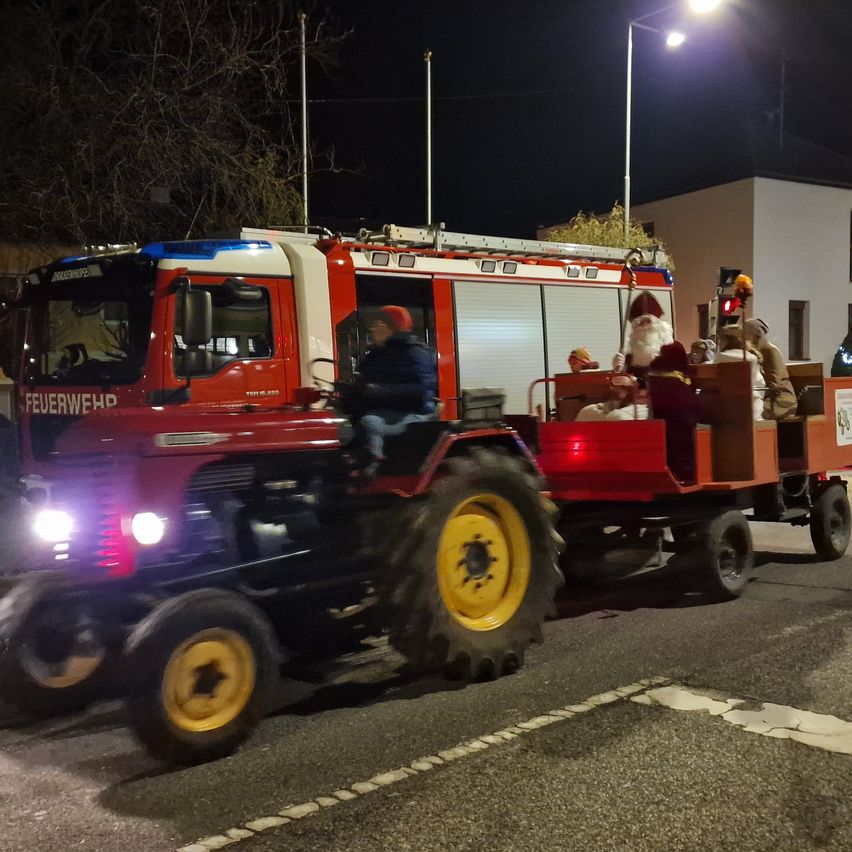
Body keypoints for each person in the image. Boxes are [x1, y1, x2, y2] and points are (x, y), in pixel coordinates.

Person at [355, 305, 438, 469]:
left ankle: (374, 467)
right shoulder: (374, 355)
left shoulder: (417, 354)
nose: (372, 329)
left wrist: (382, 390)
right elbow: (363, 379)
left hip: (413, 413)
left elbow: (424, 388)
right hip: (384, 411)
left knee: (370, 423)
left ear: (393, 327)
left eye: (377, 324)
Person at [576, 293, 674, 421]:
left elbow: (667, 384)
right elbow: (618, 390)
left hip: (652, 405)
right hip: (627, 402)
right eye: (638, 323)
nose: (643, 327)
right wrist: (617, 371)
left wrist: (634, 382)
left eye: (647, 321)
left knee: (617, 418)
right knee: (586, 413)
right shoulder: (629, 355)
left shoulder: (668, 353)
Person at [744, 318, 797, 420]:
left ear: (755, 336)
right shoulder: (758, 351)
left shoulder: (771, 351)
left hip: (782, 401)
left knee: (750, 411)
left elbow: (775, 383)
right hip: (771, 397)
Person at [714, 325, 766, 421]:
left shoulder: (722, 357)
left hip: (730, 407)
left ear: (726, 340)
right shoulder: (752, 357)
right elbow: (759, 382)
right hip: (753, 407)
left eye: (720, 340)